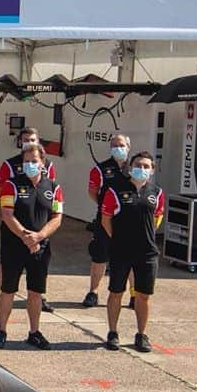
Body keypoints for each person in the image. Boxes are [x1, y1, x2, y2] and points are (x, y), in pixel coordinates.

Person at [0, 144, 64, 350]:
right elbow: (7, 214)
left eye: (34, 161)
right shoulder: (11, 185)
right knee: (8, 290)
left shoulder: (54, 188)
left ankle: (34, 332)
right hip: (13, 247)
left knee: (35, 292)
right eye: (26, 161)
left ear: (43, 163)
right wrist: (27, 237)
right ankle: (1, 331)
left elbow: (57, 218)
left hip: (40, 249)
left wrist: (39, 237)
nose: (30, 165)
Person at [101, 151, 165, 353]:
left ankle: (141, 334)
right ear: (130, 167)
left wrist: (145, 237)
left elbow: (157, 218)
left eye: (146, 166)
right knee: (116, 293)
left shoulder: (157, 192)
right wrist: (119, 240)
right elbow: (106, 220)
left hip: (147, 253)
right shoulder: (116, 190)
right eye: (138, 165)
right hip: (121, 251)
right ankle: (112, 332)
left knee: (143, 295)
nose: (142, 169)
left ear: (152, 170)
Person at [0, 127, 58, 312]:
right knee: (7, 269)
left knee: (37, 274)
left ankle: (40, 297)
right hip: (14, 222)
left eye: (33, 139)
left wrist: (39, 234)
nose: (30, 142)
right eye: (26, 140)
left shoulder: (49, 166)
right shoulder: (9, 164)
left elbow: (49, 195)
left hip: (38, 229)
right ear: (20, 142)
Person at [83, 132, 131, 308]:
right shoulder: (100, 169)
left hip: (129, 222)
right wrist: (106, 208)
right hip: (105, 219)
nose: (119, 149)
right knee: (99, 255)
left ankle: (133, 295)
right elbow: (92, 192)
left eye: (122, 145)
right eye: (115, 146)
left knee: (131, 257)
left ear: (128, 147)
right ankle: (93, 292)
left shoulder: (135, 167)